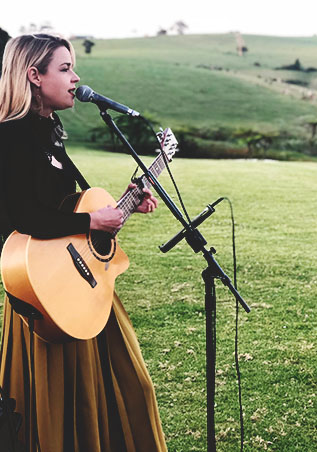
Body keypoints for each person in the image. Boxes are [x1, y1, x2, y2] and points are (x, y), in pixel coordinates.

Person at [0, 34, 167, 451]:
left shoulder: (48, 131)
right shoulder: (10, 136)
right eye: (65, 68)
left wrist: (122, 207)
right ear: (33, 76)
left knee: (132, 389)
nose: (76, 78)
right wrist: (93, 217)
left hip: (82, 283)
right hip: (42, 290)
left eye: (74, 67)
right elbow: (24, 218)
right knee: (57, 411)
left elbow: (64, 211)